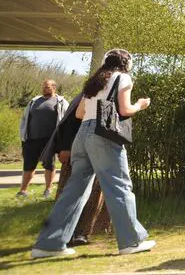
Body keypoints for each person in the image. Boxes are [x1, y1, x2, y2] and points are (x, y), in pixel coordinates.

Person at [31, 49, 155, 259]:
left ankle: (48, 244)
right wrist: (140, 105)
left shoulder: (94, 83)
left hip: (82, 135)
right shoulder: (123, 77)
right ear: (126, 63)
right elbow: (125, 110)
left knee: (74, 190)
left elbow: (80, 113)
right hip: (103, 136)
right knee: (119, 186)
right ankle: (131, 241)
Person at [40, 97, 110, 246]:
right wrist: (65, 147)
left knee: (94, 194)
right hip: (76, 152)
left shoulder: (103, 92)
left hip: (97, 149)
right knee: (70, 192)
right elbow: (70, 122)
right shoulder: (86, 96)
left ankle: (81, 233)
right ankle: (62, 234)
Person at [18, 79, 68, 198]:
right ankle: (23, 191)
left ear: (54, 88)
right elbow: (24, 118)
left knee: (49, 165)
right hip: (31, 139)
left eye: (47, 87)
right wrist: (23, 135)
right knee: (28, 166)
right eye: (43, 87)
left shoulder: (61, 102)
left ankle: (48, 189)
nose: (44, 89)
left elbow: (66, 120)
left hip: (49, 140)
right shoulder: (34, 101)